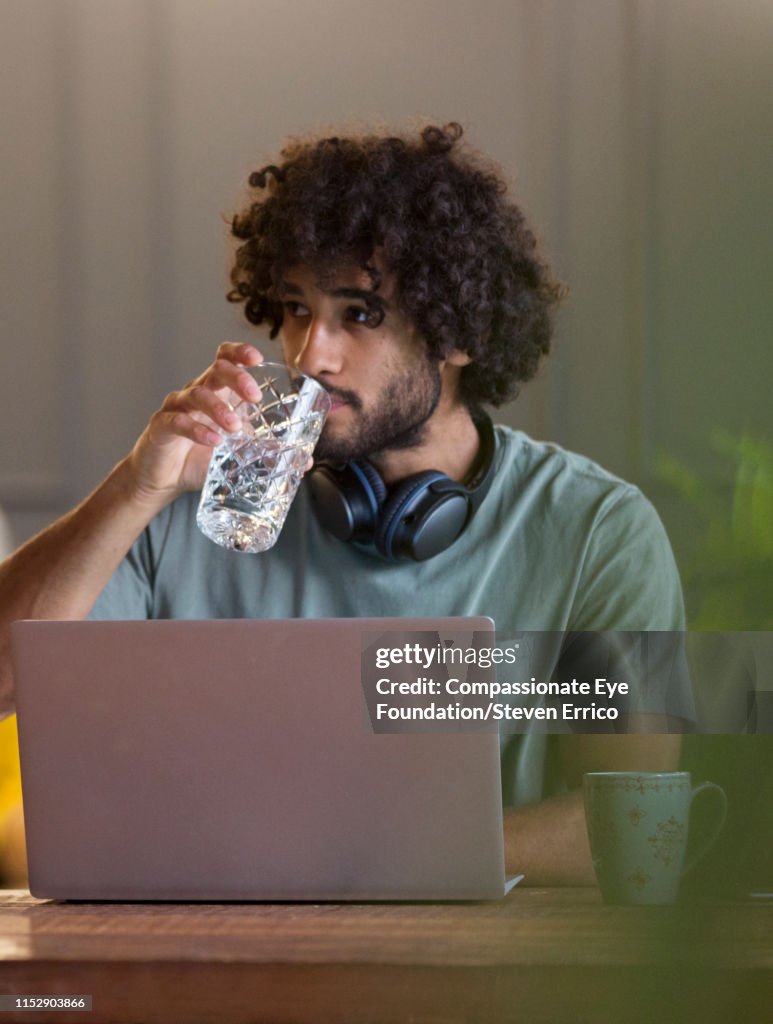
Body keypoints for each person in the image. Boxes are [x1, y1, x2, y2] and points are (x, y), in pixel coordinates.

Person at [0, 121, 685, 884]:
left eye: (358, 314)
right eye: (295, 309)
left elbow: (636, 821)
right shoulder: (187, 499)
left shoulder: (596, 529)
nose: (307, 356)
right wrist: (138, 487)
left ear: (458, 331)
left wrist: (342, 855)